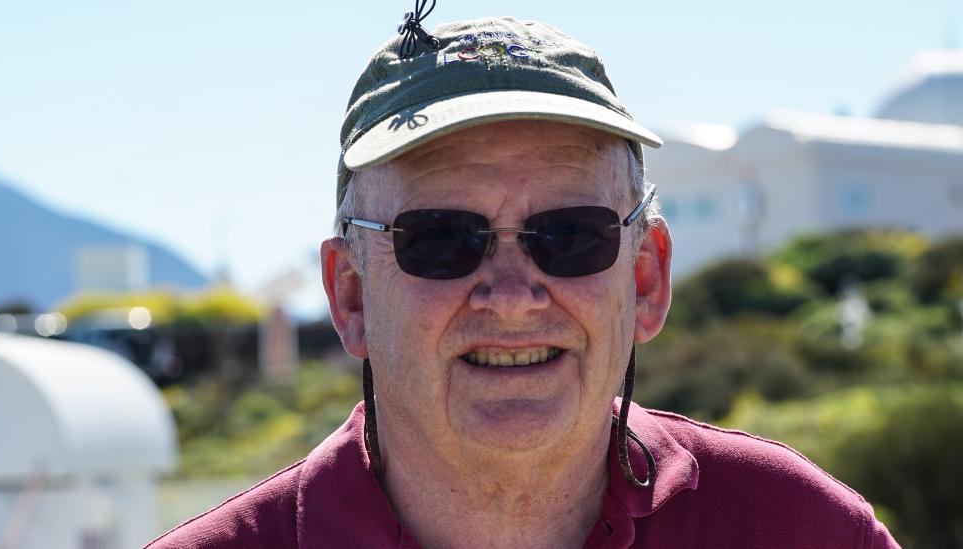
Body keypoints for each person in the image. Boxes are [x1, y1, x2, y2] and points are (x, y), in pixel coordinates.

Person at [148, 10, 899, 549]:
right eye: (441, 240)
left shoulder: (803, 530)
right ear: (350, 295)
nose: (511, 294)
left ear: (646, 277)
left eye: (570, 236)